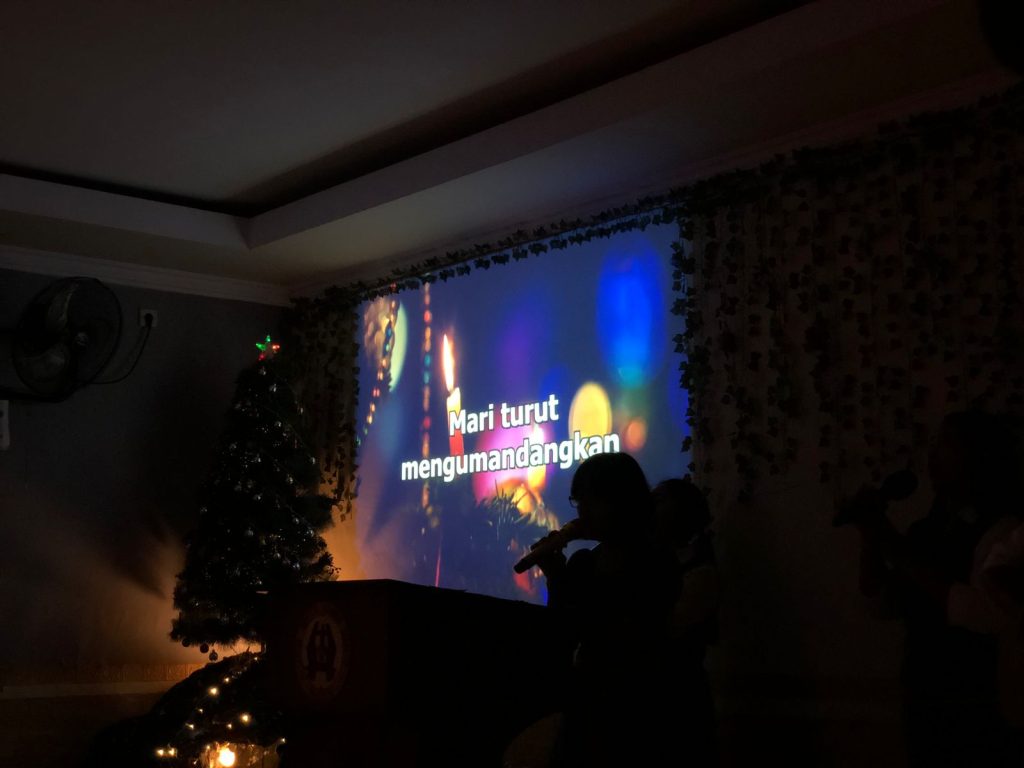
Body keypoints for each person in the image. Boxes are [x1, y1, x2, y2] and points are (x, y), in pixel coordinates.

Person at [849, 411, 1023, 766]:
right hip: (922, 705)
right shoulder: (925, 531)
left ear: (979, 455)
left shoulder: (1006, 533)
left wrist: (896, 548)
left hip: (982, 710)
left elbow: (983, 614)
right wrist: (870, 534)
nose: (933, 456)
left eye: (947, 444)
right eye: (934, 444)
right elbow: (881, 603)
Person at [527, 452, 681, 767]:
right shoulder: (584, 563)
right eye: (578, 500)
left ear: (625, 502)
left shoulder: (657, 563)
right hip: (586, 707)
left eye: (593, 499)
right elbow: (563, 633)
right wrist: (556, 577)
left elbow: (628, 635)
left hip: (641, 711)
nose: (583, 510)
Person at [653, 478, 719, 767]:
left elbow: (661, 631)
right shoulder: (653, 563)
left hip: (680, 704)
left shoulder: (700, 574)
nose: (649, 508)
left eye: (658, 501)